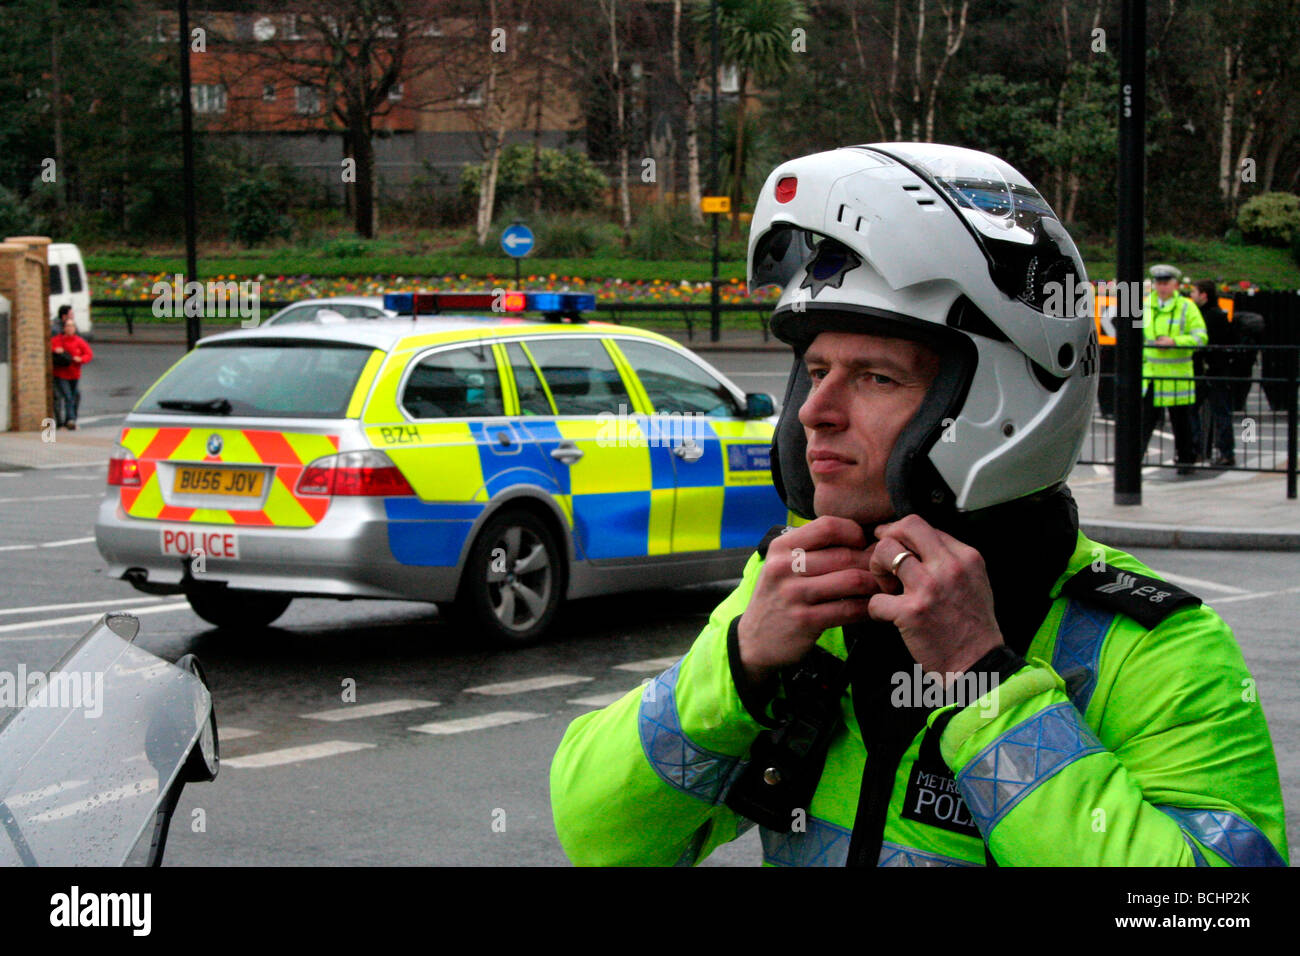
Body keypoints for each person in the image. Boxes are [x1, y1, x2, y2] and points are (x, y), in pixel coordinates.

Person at [549, 144, 1288, 867]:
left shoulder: (1155, 651)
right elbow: (601, 838)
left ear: (1002, 399)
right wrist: (738, 664)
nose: (815, 412)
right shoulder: (805, 597)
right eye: (814, 372)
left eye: (874, 377)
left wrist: (986, 681)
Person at [1140, 265, 1207, 475]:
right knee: (1143, 424)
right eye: (1158, 283)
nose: (1161, 287)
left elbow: (1200, 337)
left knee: (1182, 425)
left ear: (1176, 285)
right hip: (1151, 376)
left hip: (1177, 378)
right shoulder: (1145, 306)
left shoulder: (1186, 307)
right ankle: (1133, 463)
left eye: (1165, 283)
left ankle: (1186, 462)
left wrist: (1175, 341)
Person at [1191, 279, 1238, 466]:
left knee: (1216, 412)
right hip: (1213, 370)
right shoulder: (1215, 313)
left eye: (1194, 292)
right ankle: (1221, 452)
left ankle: (1210, 451)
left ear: (1204, 295)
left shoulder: (1210, 315)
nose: (1191, 295)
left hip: (1211, 371)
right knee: (1217, 412)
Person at [51, 305, 93, 430]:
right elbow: (51, 347)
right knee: (68, 396)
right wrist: (56, 350)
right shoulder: (57, 339)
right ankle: (69, 420)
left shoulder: (78, 340)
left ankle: (70, 420)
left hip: (74, 373)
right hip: (61, 373)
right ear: (64, 328)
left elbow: (88, 354)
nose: (70, 328)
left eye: (72, 326)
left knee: (74, 396)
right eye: (68, 326)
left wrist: (81, 359)